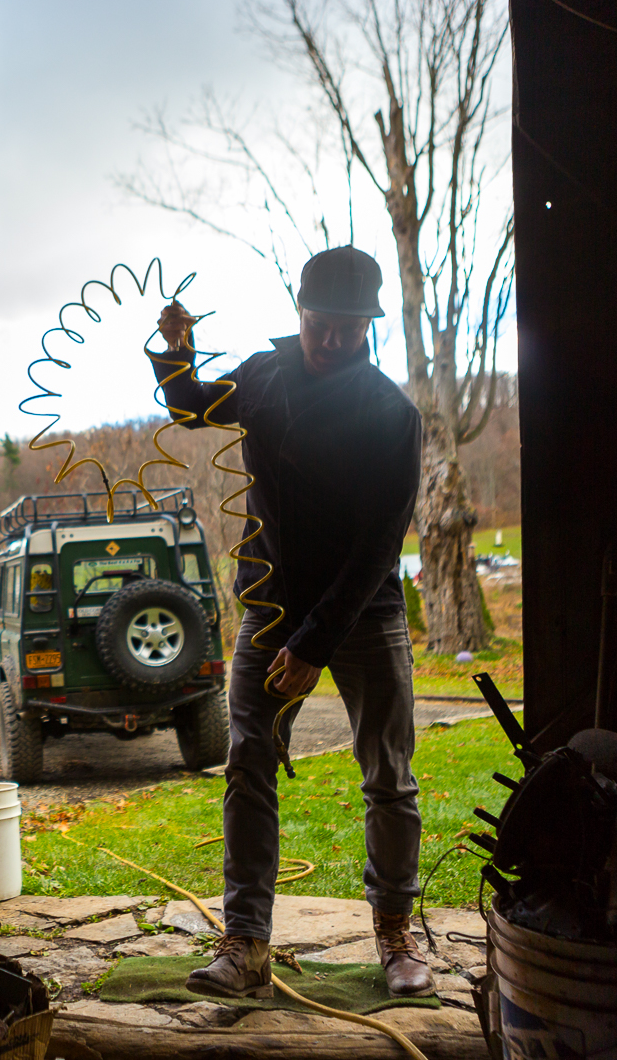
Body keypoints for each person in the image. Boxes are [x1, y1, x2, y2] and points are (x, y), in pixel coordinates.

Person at [151, 246, 431, 999]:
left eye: (348, 327)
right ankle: (245, 945)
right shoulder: (264, 375)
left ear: (368, 324)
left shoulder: (391, 414)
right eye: (320, 323)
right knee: (248, 759)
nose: (332, 339)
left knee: (389, 776)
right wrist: (175, 354)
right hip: (272, 603)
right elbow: (192, 406)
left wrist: (316, 644)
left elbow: (380, 545)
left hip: (362, 609)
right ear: (300, 312)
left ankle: (397, 933)